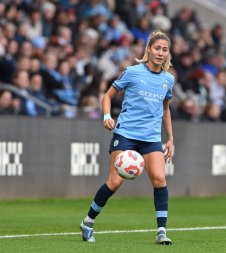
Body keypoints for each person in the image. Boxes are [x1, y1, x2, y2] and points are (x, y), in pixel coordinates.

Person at [80, 30, 175, 245]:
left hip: (151, 137)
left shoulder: (168, 80)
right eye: (157, 48)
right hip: (126, 134)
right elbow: (107, 96)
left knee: (160, 179)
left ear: (168, 54)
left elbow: (166, 109)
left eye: (165, 50)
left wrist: (170, 138)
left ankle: (161, 231)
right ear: (149, 49)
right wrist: (106, 116)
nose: (160, 53)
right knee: (114, 182)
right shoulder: (132, 72)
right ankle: (88, 221)